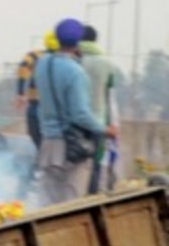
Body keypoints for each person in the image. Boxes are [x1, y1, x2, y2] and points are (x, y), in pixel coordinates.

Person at [33, 17, 117, 206]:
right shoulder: (76, 73)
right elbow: (80, 115)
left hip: (48, 143)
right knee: (71, 204)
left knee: (46, 204)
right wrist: (105, 130)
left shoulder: (42, 64)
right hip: (72, 148)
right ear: (78, 43)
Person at [79, 24, 121, 193]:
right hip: (99, 122)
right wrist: (114, 125)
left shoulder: (75, 60)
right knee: (96, 166)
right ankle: (92, 199)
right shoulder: (107, 64)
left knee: (76, 167)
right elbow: (110, 98)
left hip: (77, 123)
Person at [15, 32, 59, 153]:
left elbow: (23, 67)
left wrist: (20, 93)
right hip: (54, 109)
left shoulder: (35, 55)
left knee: (37, 139)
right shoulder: (65, 60)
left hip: (35, 106)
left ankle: (40, 159)